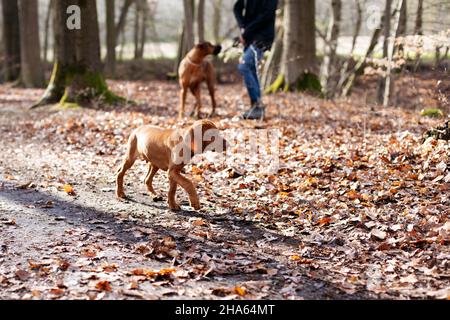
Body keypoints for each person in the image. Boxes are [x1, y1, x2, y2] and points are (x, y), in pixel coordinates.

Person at [233, 0, 278, 120]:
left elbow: (266, 16)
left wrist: (246, 32)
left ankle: (257, 107)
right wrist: (242, 27)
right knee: (251, 69)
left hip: (263, 37)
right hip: (249, 36)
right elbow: (237, 7)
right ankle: (257, 107)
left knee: (244, 66)